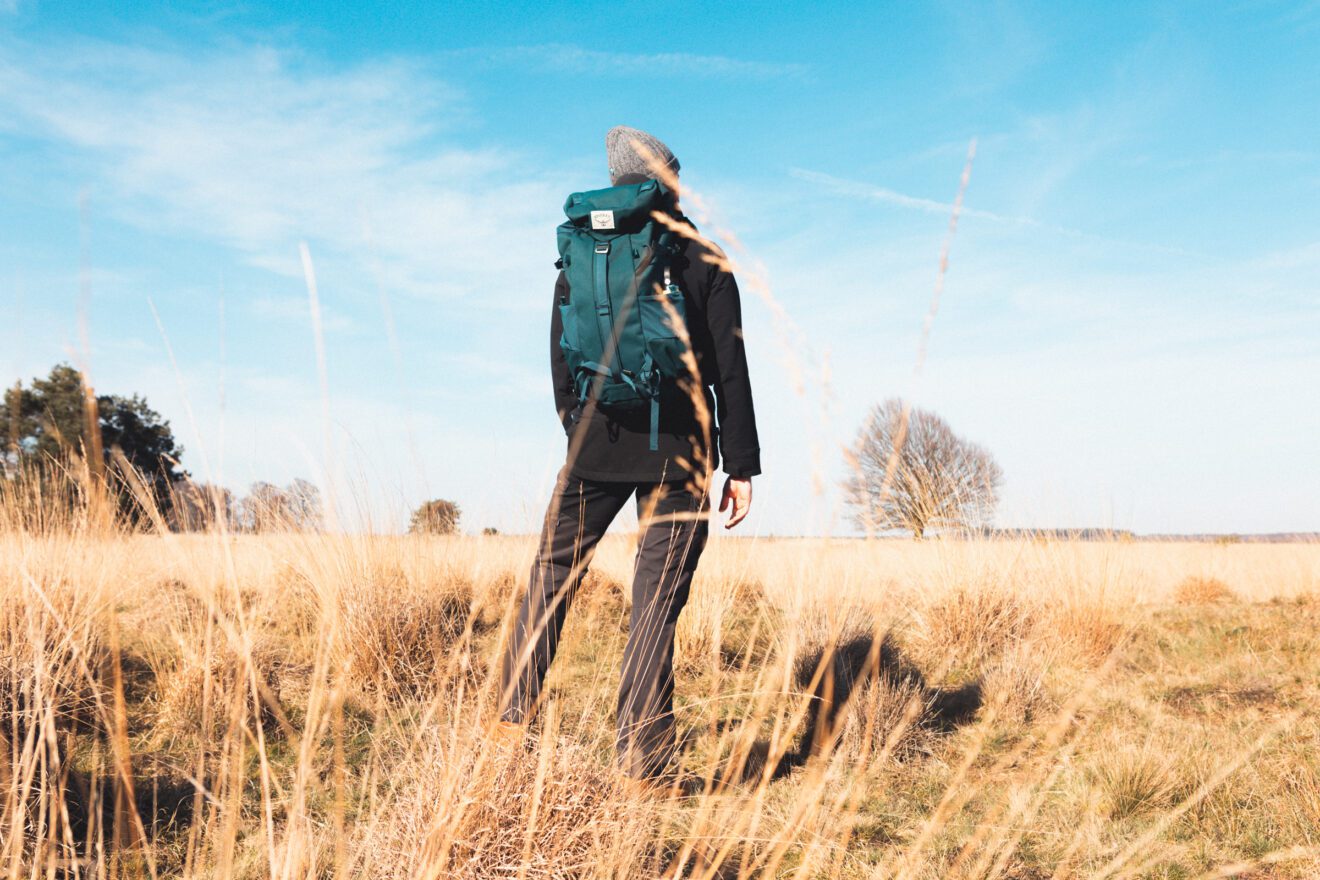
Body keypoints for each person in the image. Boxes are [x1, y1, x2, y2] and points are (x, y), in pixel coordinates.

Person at [496, 125, 761, 785]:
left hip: (594, 444)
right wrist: (742, 464)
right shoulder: (703, 254)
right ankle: (644, 761)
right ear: (670, 179)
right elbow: (730, 369)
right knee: (654, 603)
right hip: (681, 453)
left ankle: (502, 734)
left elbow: (561, 355)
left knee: (549, 582)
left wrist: (579, 429)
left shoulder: (582, 250)